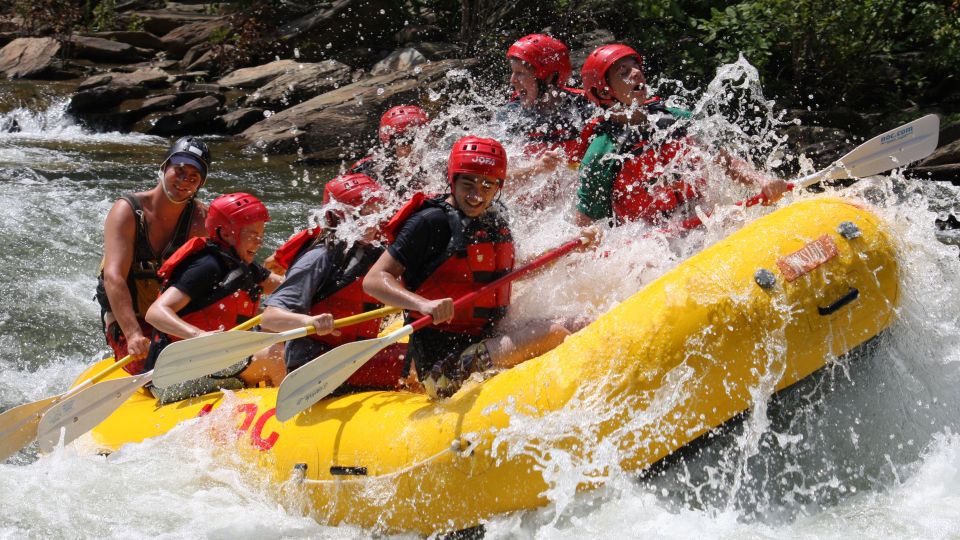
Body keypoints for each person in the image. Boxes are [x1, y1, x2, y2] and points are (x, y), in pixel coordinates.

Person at [363, 136, 576, 398]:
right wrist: (422, 304)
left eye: (488, 186)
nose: (477, 196)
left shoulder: (494, 216)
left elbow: (517, 271)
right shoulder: (430, 222)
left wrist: (573, 247)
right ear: (452, 180)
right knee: (552, 333)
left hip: (487, 337)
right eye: (468, 184)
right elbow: (373, 280)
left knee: (578, 322)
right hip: (442, 366)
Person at [575, 44, 788, 229]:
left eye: (636, 67)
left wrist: (762, 181)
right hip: (649, 241)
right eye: (623, 72)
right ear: (604, 92)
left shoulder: (673, 118)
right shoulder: (601, 155)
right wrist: (590, 234)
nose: (637, 73)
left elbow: (725, 161)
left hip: (700, 218)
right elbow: (586, 220)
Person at [259, 174, 407, 390]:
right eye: (363, 213)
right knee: (413, 361)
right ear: (337, 217)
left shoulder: (375, 252)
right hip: (318, 365)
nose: (372, 220)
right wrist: (310, 322)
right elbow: (269, 318)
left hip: (356, 358)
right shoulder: (319, 257)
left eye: (375, 211)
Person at [144, 192, 284, 403]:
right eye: (252, 233)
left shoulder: (243, 265)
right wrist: (197, 335)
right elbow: (155, 313)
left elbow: (285, 287)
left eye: (261, 233)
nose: (259, 241)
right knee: (275, 355)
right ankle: (291, 416)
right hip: (174, 378)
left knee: (286, 332)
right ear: (226, 234)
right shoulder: (206, 265)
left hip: (214, 364)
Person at [95, 137, 209, 375]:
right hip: (129, 318)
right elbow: (114, 277)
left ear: (200, 184)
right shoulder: (127, 210)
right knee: (148, 370)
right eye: (179, 171)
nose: (183, 181)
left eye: (193, 177)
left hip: (170, 316)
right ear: (164, 167)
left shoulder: (200, 218)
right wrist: (133, 333)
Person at [498, 34, 597, 173]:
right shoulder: (510, 115)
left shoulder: (585, 107)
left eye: (520, 73)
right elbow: (493, 177)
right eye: (513, 72)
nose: (512, 81)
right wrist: (537, 167)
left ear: (549, 77)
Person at [347, 105, 431, 197]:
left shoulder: (437, 166)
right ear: (391, 145)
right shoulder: (367, 172)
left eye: (419, 138)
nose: (413, 147)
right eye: (405, 141)